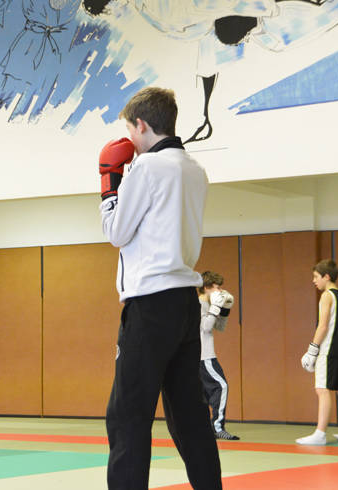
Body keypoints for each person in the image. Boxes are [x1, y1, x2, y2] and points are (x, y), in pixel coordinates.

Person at [100, 86, 222, 489]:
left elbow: (116, 232)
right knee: (188, 415)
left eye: (130, 131)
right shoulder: (194, 169)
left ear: (142, 124)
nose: (129, 142)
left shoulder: (147, 169)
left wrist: (109, 181)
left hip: (151, 304)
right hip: (186, 303)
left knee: (127, 414)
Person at [297, 259, 338, 445]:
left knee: (322, 389)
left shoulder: (326, 296)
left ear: (326, 276)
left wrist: (312, 350)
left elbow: (322, 326)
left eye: (316, 277)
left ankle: (320, 434)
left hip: (328, 350)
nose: (314, 281)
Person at [198, 271, 239, 440]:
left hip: (203, 356)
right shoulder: (198, 304)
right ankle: (217, 427)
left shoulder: (208, 304)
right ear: (206, 288)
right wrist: (215, 307)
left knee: (202, 395)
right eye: (216, 288)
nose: (219, 291)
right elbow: (206, 327)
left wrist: (225, 308)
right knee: (221, 386)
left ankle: (207, 428)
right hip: (203, 356)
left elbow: (219, 327)